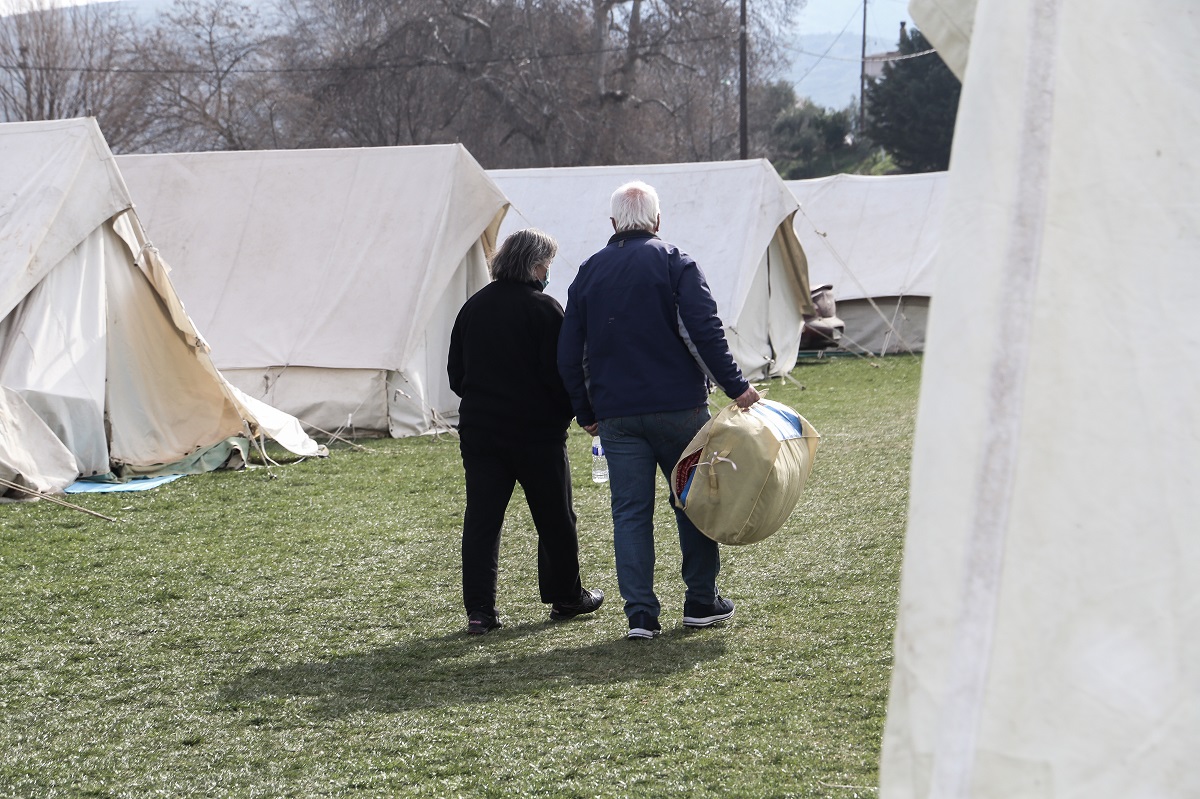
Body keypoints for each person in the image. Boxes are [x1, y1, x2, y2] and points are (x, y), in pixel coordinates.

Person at [557, 181, 759, 641]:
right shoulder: (675, 262)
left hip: (616, 415)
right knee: (692, 502)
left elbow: (570, 352)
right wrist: (737, 387)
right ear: (657, 220)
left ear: (613, 224)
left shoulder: (589, 271)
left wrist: (584, 409)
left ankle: (641, 615)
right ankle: (701, 601)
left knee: (629, 512)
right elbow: (703, 332)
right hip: (679, 409)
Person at [448, 228, 604, 635]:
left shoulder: (473, 308)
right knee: (555, 517)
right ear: (535, 266)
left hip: (482, 433)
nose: (548, 270)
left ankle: (480, 611)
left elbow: (455, 374)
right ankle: (566, 597)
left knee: (482, 521)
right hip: (536, 434)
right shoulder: (545, 309)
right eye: (547, 263)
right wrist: (570, 412)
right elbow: (564, 374)